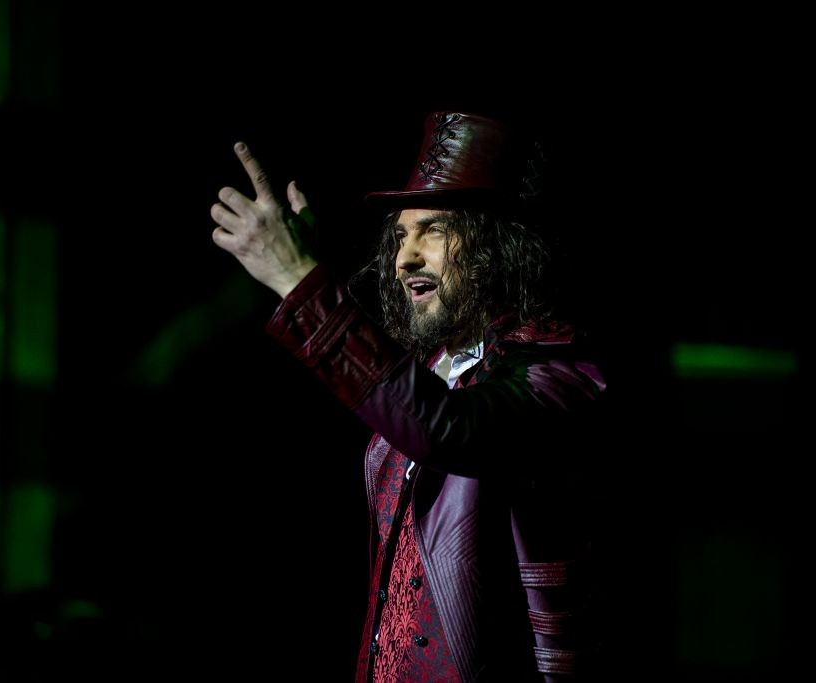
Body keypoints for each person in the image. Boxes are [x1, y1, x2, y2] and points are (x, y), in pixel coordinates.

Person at [210, 111, 607, 681]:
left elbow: (447, 429)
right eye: (400, 236)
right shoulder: (438, 370)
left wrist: (301, 279)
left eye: (433, 231)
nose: (404, 258)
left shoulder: (563, 376)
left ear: (497, 243)